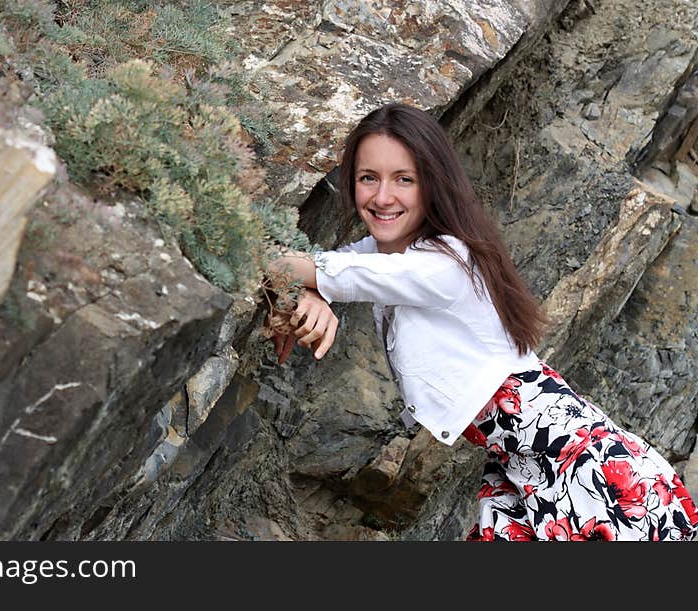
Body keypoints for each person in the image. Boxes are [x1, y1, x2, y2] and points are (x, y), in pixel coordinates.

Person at [267, 102, 698, 541]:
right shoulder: (386, 254)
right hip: (518, 464)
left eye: (404, 179)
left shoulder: (445, 262)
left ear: (433, 184)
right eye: (367, 178)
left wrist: (311, 283)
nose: (382, 197)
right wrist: (311, 293)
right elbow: (325, 268)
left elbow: (307, 268)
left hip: (573, 459)